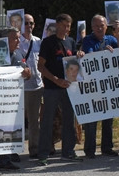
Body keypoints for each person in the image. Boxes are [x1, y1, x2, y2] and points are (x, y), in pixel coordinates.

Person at [36, 14, 84, 165]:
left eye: (68, 26)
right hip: (51, 88)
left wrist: (80, 54)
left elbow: (74, 60)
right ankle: (43, 154)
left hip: (69, 88)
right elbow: (41, 66)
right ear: (57, 25)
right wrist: (55, 80)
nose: (66, 28)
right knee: (47, 121)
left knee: (69, 120)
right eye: (63, 25)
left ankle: (68, 152)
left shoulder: (71, 42)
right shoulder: (48, 42)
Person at [81, 15, 119, 158]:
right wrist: (103, 53)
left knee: (108, 118)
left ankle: (107, 148)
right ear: (92, 27)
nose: (99, 28)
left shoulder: (112, 40)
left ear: (106, 26)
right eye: (96, 26)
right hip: (92, 85)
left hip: (108, 84)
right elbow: (89, 57)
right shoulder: (87, 40)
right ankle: (90, 150)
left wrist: (116, 43)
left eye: (102, 25)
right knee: (91, 119)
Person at [17, 14, 43, 158]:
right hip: (19, 87)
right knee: (17, 121)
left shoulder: (38, 41)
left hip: (36, 86)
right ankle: (15, 150)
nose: (29, 26)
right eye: (26, 23)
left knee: (34, 120)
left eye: (31, 23)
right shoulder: (16, 41)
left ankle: (34, 149)